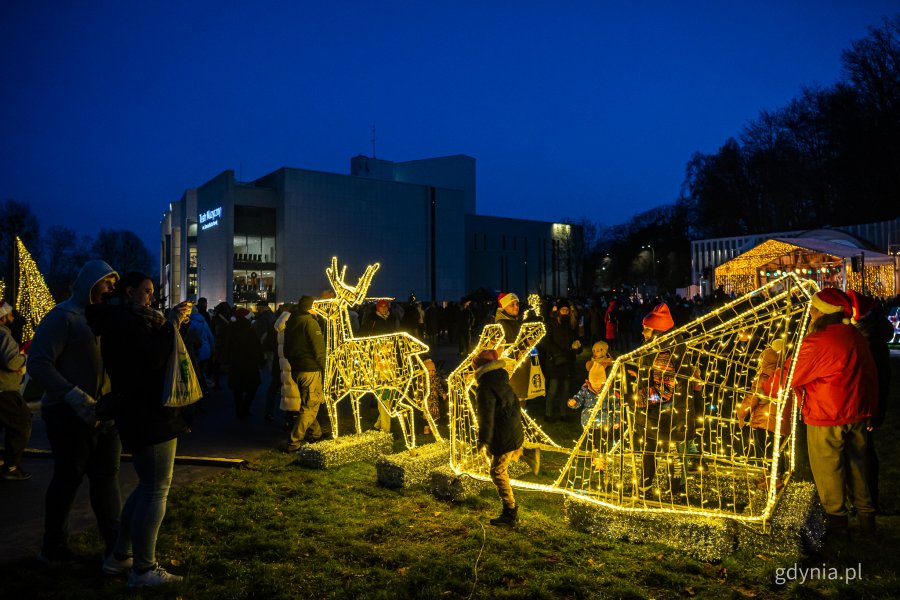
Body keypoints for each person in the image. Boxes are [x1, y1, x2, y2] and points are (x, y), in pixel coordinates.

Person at [86, 272, 191, 587]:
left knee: (147, 486)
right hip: (150, 415)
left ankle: (120, 556)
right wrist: (171, 324)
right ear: (130, 292)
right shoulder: (126, 324)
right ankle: (144, 569)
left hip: (142, 412)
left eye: (152, 291)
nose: (152, 296)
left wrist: (172, 325)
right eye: (147, 291)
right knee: (156, 488)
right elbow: (152, 361)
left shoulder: (125, 321)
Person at [28, 260, 121, 563]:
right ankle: (53, 546)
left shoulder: (107, 319)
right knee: (68, 478)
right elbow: (39, 363)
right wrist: (72, 394)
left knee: (106, 477)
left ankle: (116, 545)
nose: (111, 288)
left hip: (103, 413)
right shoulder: (63, 317)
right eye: (107, 282)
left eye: (113, 283)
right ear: (90, 283)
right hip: (67, 414)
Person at [775, 289, 878, 535]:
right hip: (857, 412)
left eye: (813, 308)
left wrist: (766, 383)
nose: (810, 312)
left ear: (822, 312)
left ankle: (836, 520)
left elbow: (789, 376)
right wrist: (871, 409)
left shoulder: (818, 342)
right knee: (857, 465)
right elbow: (872, 374)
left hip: (826, 414)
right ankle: (866, 518)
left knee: (828, 468)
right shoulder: (854, 335)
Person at [629, 303, 701, 499]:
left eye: (647, 329)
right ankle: (675, 489)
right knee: (672, 452)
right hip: (674, 413)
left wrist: (638, 397)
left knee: (654, 451)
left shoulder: (663, 353)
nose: (643, 333)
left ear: (658, 331)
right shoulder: (674, 344)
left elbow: (663, 391)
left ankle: (655, 489)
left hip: (662, 415)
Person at [474, 349, 535, 527]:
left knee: (497, 471)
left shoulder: (485, 386)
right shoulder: (502, 379)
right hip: (513, 430)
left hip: (503, 435)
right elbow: (515, 404)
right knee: (508, 454)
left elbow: (486, 416)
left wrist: (483, 440)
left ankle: (510, 511)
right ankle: (528, 454)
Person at [846, 290, 892, 514]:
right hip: (860, 404)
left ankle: (867, 502)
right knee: (859, 452)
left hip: (865, 407)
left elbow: (880, 379)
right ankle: (863, 500)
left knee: (863, 453)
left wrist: (875, 410)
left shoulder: (870, 341)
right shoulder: (867, 336)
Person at [736, 340, 789, 491]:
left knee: (767, 450)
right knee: (777, 448)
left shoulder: (765, 375)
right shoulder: (783, 373)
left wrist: (742, 413)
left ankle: (773, 479)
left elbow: (753, 397)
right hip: (780, 420)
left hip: (765, 420)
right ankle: (777, 474)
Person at [567, 341, 617, 483]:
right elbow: (579, 397)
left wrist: (617, 419)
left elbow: (615, 404)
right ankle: (597, 460)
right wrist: (573, 402)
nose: (596, 353)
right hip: (589, 419)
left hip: (605, 419)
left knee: (604, 440)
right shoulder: (587, 383)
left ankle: (602, 460)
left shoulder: (609, 372)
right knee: (593, 441)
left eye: (599, 350)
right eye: (594, 350)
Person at [283, 296, 327, 451]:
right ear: (311, 307)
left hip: (297, 369)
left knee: (308, 402)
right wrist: (324, 368)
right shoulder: (310, 322)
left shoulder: (292, 322)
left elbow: (286, 349)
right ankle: (294, 442)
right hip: (310, 369)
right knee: (310, 406)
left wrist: (295, 363)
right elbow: (319, 349)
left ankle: (316, 433)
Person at [0, 302, 32, 481]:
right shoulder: (3, 335)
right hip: (5, 390)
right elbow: (11, 362)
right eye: (11, 315)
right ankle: (11, 467)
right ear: (3, 317)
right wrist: (24, 358)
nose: (14, 318)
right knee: (21, 423)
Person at [362, 300, 399, 432]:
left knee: (387, 394)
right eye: (382, 307)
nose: (384, 309)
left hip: (390, 361)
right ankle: (385, 427)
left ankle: (380, 423)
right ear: (377, 308)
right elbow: (364, 338)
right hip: (378, 361)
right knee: (384, 394)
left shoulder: (391, 319)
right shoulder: (372, 321)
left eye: (385, 307)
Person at [543, 300, 581, 422]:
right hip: (555, 360)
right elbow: (547, 341)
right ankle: (548, 414)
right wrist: (557, 352)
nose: (565, 311)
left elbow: (576, 338)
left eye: (567, 309)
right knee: (553, 388)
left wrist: (577, 346)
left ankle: (563, 413)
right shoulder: (552, 322)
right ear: (558, 310)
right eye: (563, 309)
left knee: (565, 389)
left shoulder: (571, 323)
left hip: (568, 361)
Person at [224, 307, 265, 419]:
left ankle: (239, 409)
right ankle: (245, 407)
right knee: (252, 387)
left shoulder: (231, 329)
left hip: (235, 363)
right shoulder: (250, 330)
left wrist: (226, 360)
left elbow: (227, 347)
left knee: (237, 390)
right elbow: (257, 348)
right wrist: (261, 361)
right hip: (250, 363)